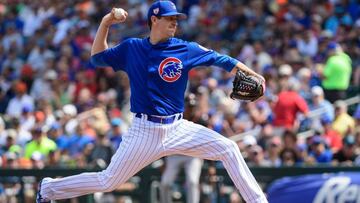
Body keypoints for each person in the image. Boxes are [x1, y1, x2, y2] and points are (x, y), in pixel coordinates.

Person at [36, 1, 268, 203]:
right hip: (144, 131)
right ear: (154, 19)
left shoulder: (185, 48)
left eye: (176, 19)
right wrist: (106, 22)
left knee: (228, 148)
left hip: (178, 127)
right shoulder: (132, 47)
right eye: (169, 18)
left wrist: (254, 75)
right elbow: (97, 58)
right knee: (107, 181)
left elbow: (223, 60)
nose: (175, 23)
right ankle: (48, 189)